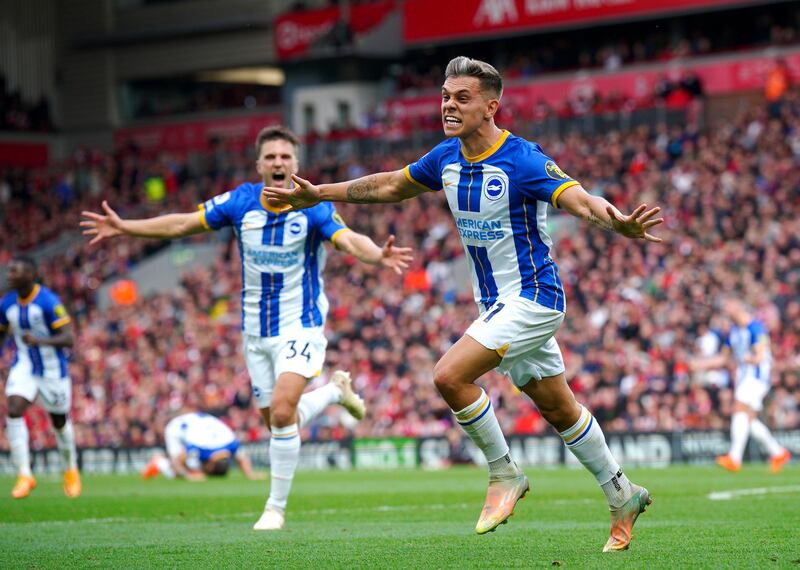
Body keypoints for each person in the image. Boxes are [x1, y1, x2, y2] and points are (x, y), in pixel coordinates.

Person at [263, 56, 663, 552]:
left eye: (462, 98)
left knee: (449, 375)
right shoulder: (447, 158)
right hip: (497, 304)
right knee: (560, 409)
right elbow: (390, 185)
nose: (449, 106)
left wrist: (617, 220)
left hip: (534, 298)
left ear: (491, 106)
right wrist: (318, 193)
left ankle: (504, 474)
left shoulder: (522, 159)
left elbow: (577, 198)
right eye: (446, 97)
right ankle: (622, 493)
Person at [81, 125, 413, 531]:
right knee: (275, 420)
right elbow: (183, 224)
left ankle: (274, 508)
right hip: (255, 332)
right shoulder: (240, 202)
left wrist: (377, 255)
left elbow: (346, 240)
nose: (278, 163)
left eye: (285, 157)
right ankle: (332, 393)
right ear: (259, 164)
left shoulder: (312, 206)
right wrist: (126, 227)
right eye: (270, 157)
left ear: (296, 163)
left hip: (301, 324)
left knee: (281, 409)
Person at [1, 256, 81, 499]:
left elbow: (69, 338)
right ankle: (25, 474)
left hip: (52, 370)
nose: (9, 274)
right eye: (9, 270)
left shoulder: (48, 302)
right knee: (14, 408)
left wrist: (40, 341)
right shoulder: (7, 304)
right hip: (24, 365)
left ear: (30, 274)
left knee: (59, 422)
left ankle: (70, 469)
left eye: (15, 271)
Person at [692, 298, 791, 473]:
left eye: (729, 306)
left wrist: (750, 359)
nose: (726, 310)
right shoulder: (734, 332)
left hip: (757, 376)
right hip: (745, 377)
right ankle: (778, 452)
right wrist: (700, 364)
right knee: (749, 420)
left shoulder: (755, 327)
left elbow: (761, 354)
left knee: (738, 408)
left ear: (738, 307)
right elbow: (723, 358)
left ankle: (735, 457)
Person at [141, 411, 263, 481]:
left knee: (194, 468)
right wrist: (189, 476)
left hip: (199, 424)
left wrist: (250, 474)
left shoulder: (230, 442)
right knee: (177, 472)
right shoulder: (200, 447)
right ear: (210, 466)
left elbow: (241, 458)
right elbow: (181, 462)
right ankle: (159, 462)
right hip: (176, 428)